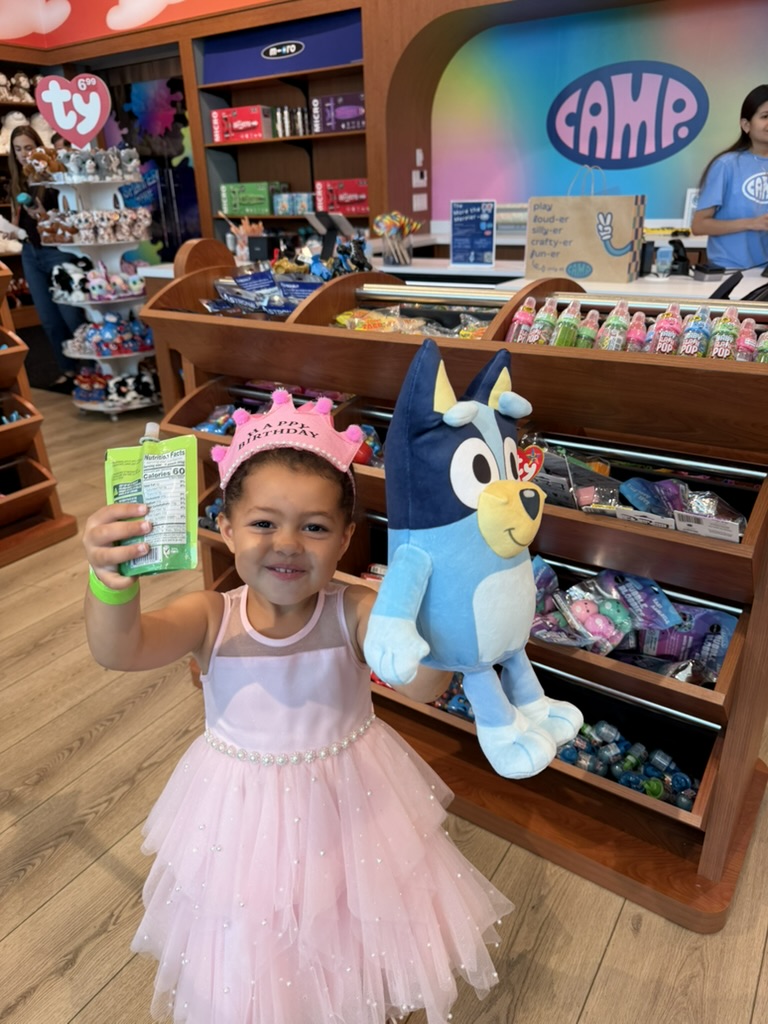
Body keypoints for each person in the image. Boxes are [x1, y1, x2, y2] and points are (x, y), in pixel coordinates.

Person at [82, 391, 512, 1024]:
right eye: (263, 523)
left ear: (345, 539)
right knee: (251, 929)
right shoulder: (210, 616)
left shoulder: (356, 609)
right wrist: (109, 581)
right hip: (239, 814)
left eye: (314, 527)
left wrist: (442, 611)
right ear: (226, 528)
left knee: (353, 917)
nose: (287, 543)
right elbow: (122, 650)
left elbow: (424, 686)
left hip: (351, 803)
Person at [8, 124, 84, 392]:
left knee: (71, 314)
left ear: (39, 148)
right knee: (49, 318)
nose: (23, 154)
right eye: (18, 149)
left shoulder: (52, 177)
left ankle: (89, 370)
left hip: (57, 251)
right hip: (30, 252)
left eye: (28, 148)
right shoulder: (18, 182)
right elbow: (19, 221)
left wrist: (42, 215)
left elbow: (65, 219)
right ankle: (67, 371)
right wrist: (13, 230)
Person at [692, 84, 768, 270]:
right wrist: (751, 224)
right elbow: (699, 226)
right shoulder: (726, 165)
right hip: (731, 271)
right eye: (765, 116)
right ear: (746, 125)